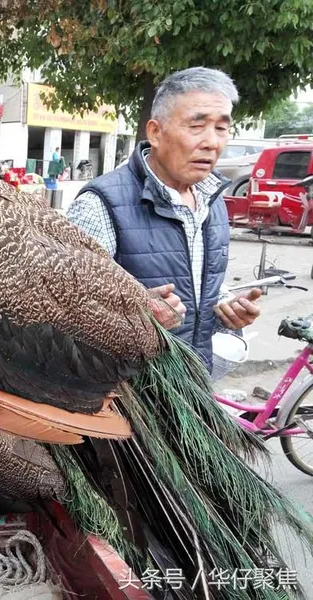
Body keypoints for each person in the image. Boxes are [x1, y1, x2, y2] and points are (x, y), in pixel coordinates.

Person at [65, 67, 261, 373]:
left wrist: (225, 305)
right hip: (127, 397)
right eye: (197, 126)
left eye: (221, 128)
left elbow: (202, 285)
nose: (212, 142)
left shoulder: (213, 200)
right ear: (155, 132)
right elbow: (66, 310)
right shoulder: (100, 204)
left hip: (195, 384)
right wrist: (136, 317)